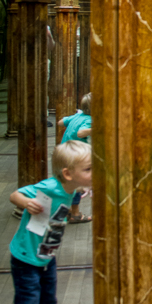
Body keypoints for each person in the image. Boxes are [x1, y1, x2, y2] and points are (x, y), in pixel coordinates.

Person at [8, 140, 92, 304]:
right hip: (26, 257)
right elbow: (14, 195)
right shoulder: (49, 187)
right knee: (29, 298)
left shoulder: (71, 187)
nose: (93, 173)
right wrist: (27, 203)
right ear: (67, 174)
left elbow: (82, 187)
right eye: (88, 169)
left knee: (48, 294)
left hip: (47, 254)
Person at [59, 94, 92, 223]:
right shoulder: (89, 119)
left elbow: (60, 122)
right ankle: (75, 214)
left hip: (64, 153)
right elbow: (81, 133)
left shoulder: (77, 116)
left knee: (68, 183)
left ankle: (67, 211)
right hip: (74, 156)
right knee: (76, 183)